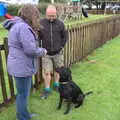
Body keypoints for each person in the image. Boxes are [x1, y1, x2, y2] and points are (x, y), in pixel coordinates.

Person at [3, 4, 47, 120]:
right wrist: (42, 51)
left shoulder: (18, 25)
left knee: (22, 94)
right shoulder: (23, 27)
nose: (37, 19)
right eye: (36, 16)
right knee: (23, 95)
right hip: (21, 68)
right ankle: (23, 117)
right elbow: (30, 50)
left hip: (19, 66)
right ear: (30, 15)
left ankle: (23, 115)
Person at [39, 5, 68, 99]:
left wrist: (61, 47)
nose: (51, 18)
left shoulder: (60, 24)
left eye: (53, 16)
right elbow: (37, 36)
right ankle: (47, 89)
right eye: (49, 16)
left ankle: (56, 85)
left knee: (58, 70)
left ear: (56, 14)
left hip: (58, 53)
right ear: (46, 14)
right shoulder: (41, 23)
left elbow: (65, 36)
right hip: (46, 53)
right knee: (47, 72)